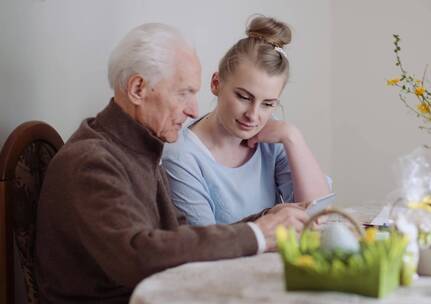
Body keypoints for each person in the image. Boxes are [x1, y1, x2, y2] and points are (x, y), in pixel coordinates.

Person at [34, 23, 309, 304]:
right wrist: (258, 233)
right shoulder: (91, 162)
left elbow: (179, 237)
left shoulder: (138, 148)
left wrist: (267, 219)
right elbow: (137, 256)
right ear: (138, 88)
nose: (193, 109)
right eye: (183, 93)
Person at [162, 16, 330, 226]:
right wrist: (270, 221)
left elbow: (320, 217)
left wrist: (292, 137)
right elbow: (204, 244)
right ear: (216, 84)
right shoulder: (182, 156)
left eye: (267, 104)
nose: (253, 115)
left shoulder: (273, 136)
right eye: (243, 97)